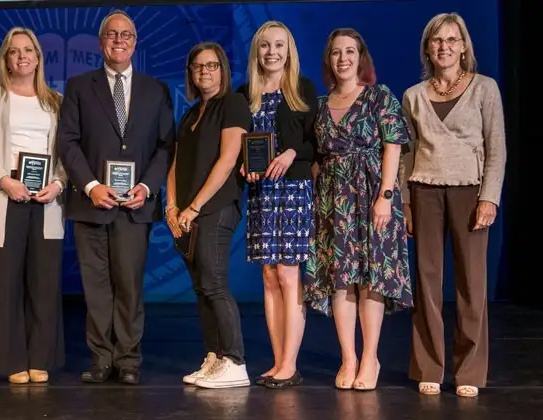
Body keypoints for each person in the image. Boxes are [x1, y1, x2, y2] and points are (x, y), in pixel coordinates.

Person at [57, 9, 175, 385]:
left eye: (125, 35)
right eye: (112, 34)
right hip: (92, 203)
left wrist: (147, 187)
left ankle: (127, 360)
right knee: (96, 286)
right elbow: (68, 142)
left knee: (129, 285)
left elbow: (165, 146)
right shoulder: (78, 86)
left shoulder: (155, 90)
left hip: (134, 207)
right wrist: (91, 186)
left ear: (135, 43)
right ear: (101, 42)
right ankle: (101, 359)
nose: (119, 40)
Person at [401, 12, 506, 398]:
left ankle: (470, 372)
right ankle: (430, 365)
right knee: (426, 283)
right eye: (436, 40)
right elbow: (405, 156)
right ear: (428, 48)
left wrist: (489, 197)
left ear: (463, 46)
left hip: (469, 192)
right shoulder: (413, 95)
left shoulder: (484, 89)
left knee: (471, 285)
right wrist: (406, 204)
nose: (443, 46)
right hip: (425, 190)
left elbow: (497, 148)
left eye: (451, 39)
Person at [303, 28, 412, 391]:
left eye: (350, 51)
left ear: (360, 57)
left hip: (371, 196)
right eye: (336, 52)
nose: (343, 58)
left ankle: (370, 358)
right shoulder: (319, 104)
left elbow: (393, 146)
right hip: (333, 201)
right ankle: (348, 356)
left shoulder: (379, 96)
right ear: (329, 60)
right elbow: (316, 157)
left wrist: (385, 195)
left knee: (370, 279)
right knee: (340, 280)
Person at [0, 27, 67, 384]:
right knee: (6, 284)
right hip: (4, 197)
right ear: (6, 59)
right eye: (15, 51)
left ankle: (39, 358)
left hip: (46, 201)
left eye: (29, 50)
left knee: (43, 283)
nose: (22, 56)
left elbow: (66, 153)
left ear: (39, 57)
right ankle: (12, 361)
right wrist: (6, 182)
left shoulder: (55, 101)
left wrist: (57, 183)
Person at [236, 21, 318, 389]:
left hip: (294, 191)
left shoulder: (302, 89)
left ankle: (290, 364)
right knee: (268, 277)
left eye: (279, 45)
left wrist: (289, 152)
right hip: (262, 194)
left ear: (290, 50)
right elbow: (241, 143)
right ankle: (276, 361)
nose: (272, 52)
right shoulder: (245, 94)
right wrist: (244, 165)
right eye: (266, 45)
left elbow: (317, 143)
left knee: (288, 275)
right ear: (257, 51)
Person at [168, 42, 250, 389]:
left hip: (214, 210)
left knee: (215, 284)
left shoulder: (232, 104)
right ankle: (215, 357)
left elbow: (228, 160)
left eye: (212, 65)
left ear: (223, 70)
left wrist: (194, 207)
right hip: (185, 214)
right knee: (202, 288)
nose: (205, 71)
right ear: (191, 73)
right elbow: (175, 164)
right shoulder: (190, 113)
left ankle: (235, 361)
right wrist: (171, 207)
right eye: (198, 66)